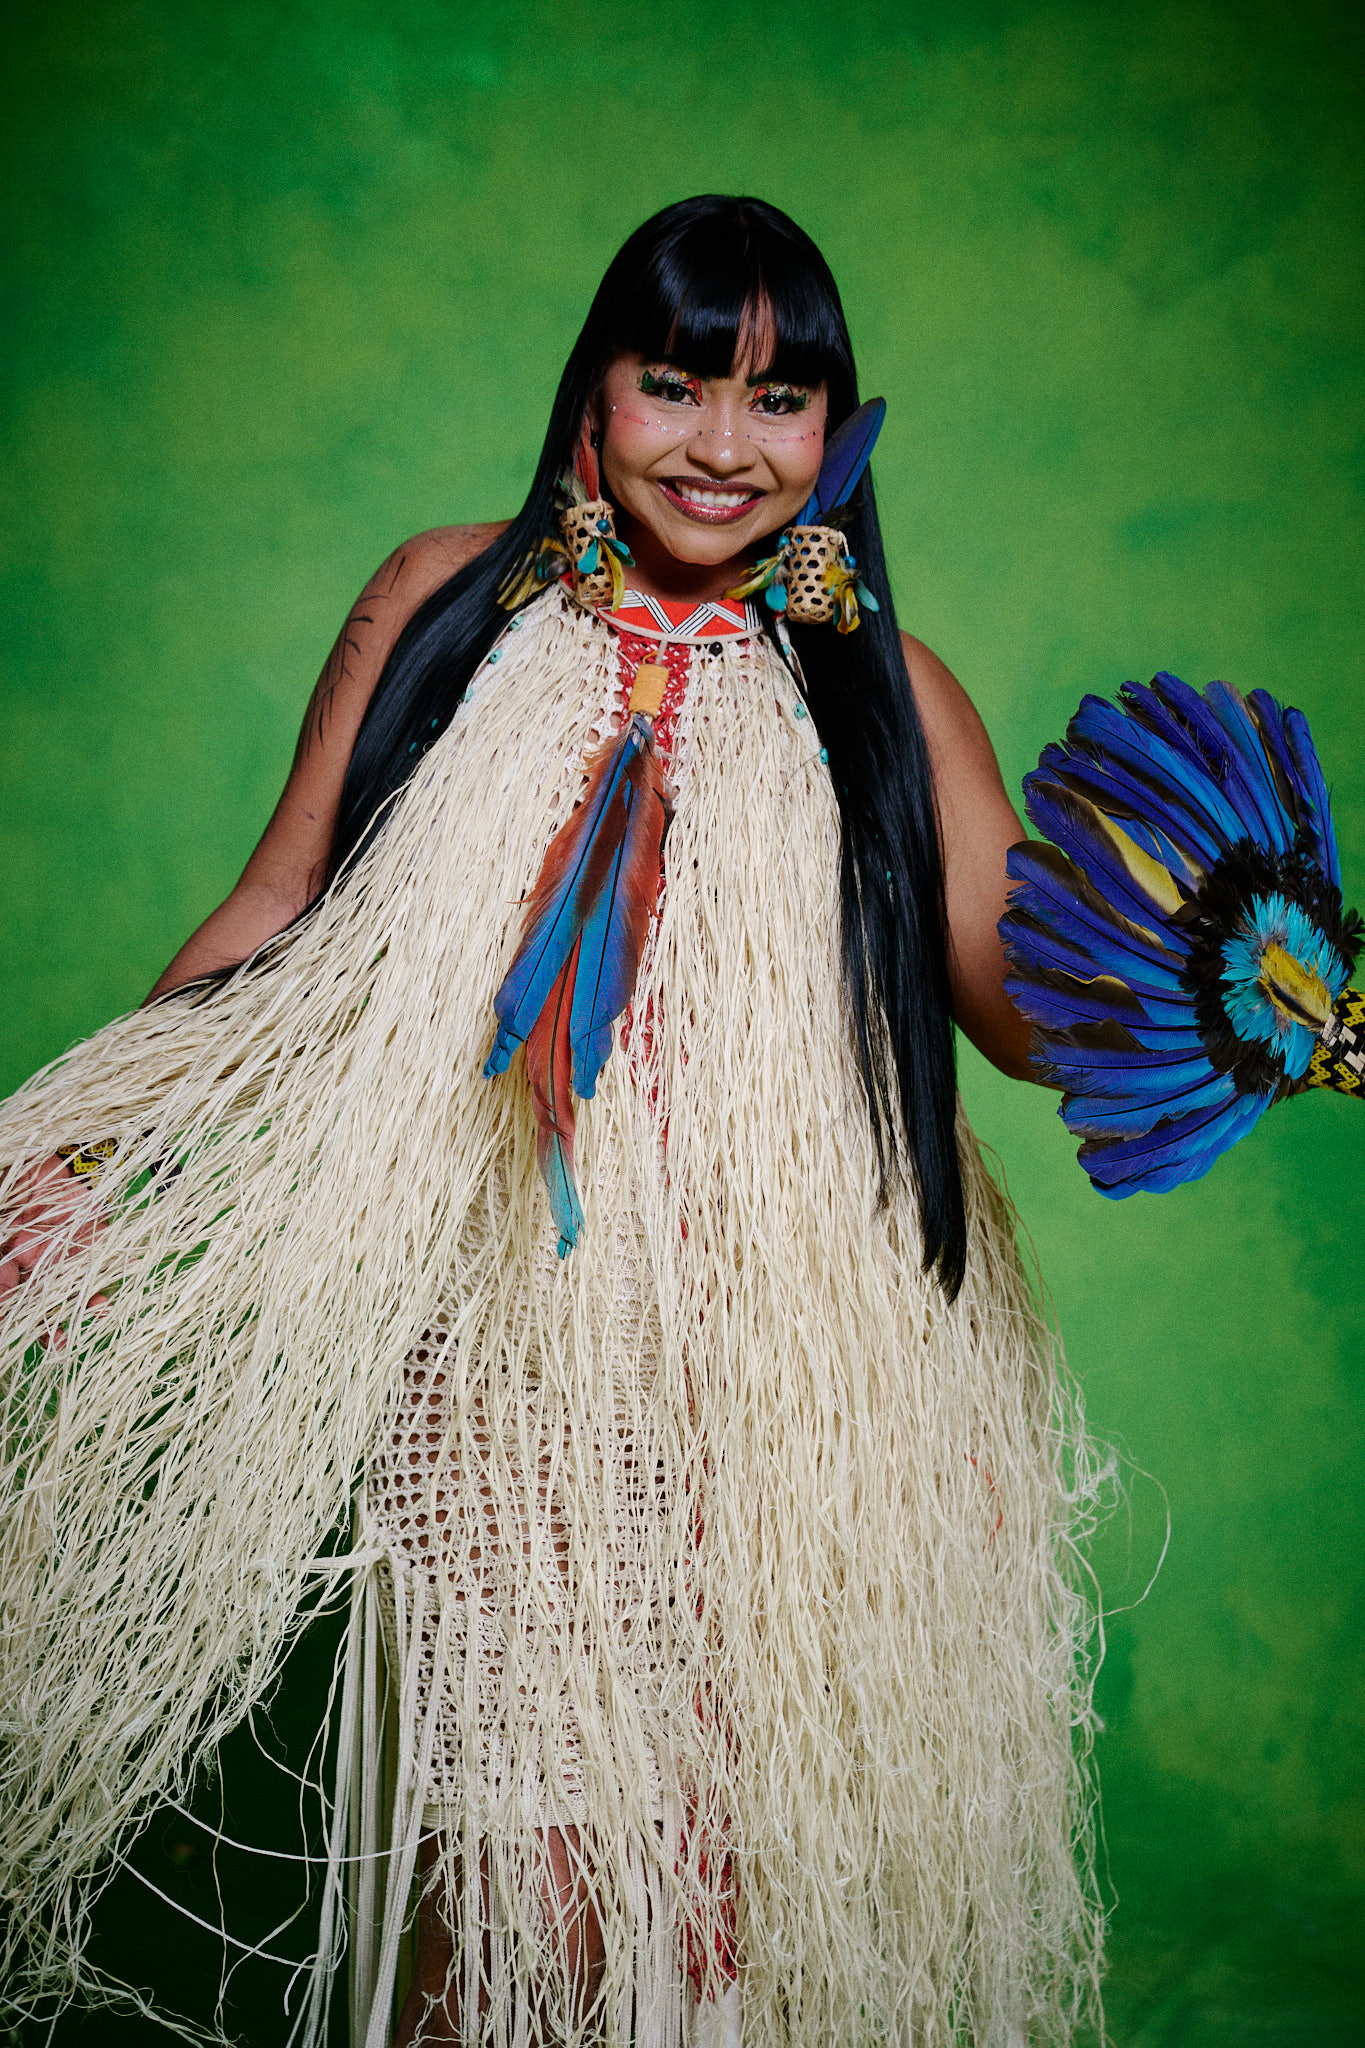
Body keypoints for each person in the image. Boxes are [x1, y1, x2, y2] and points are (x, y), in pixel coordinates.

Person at [0, 196, 1103, 2047]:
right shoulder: (449, 604)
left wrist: (1197, 995)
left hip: (806, 1382)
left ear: (835, 432)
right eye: (675, 383)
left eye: (779, 400)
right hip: (505, 1356)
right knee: (526, 1891)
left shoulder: (883, 691)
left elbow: (1010, 998)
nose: (724, 444)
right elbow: (275, 910)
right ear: (594, 391)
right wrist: (91, 1156)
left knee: (740, 1883)